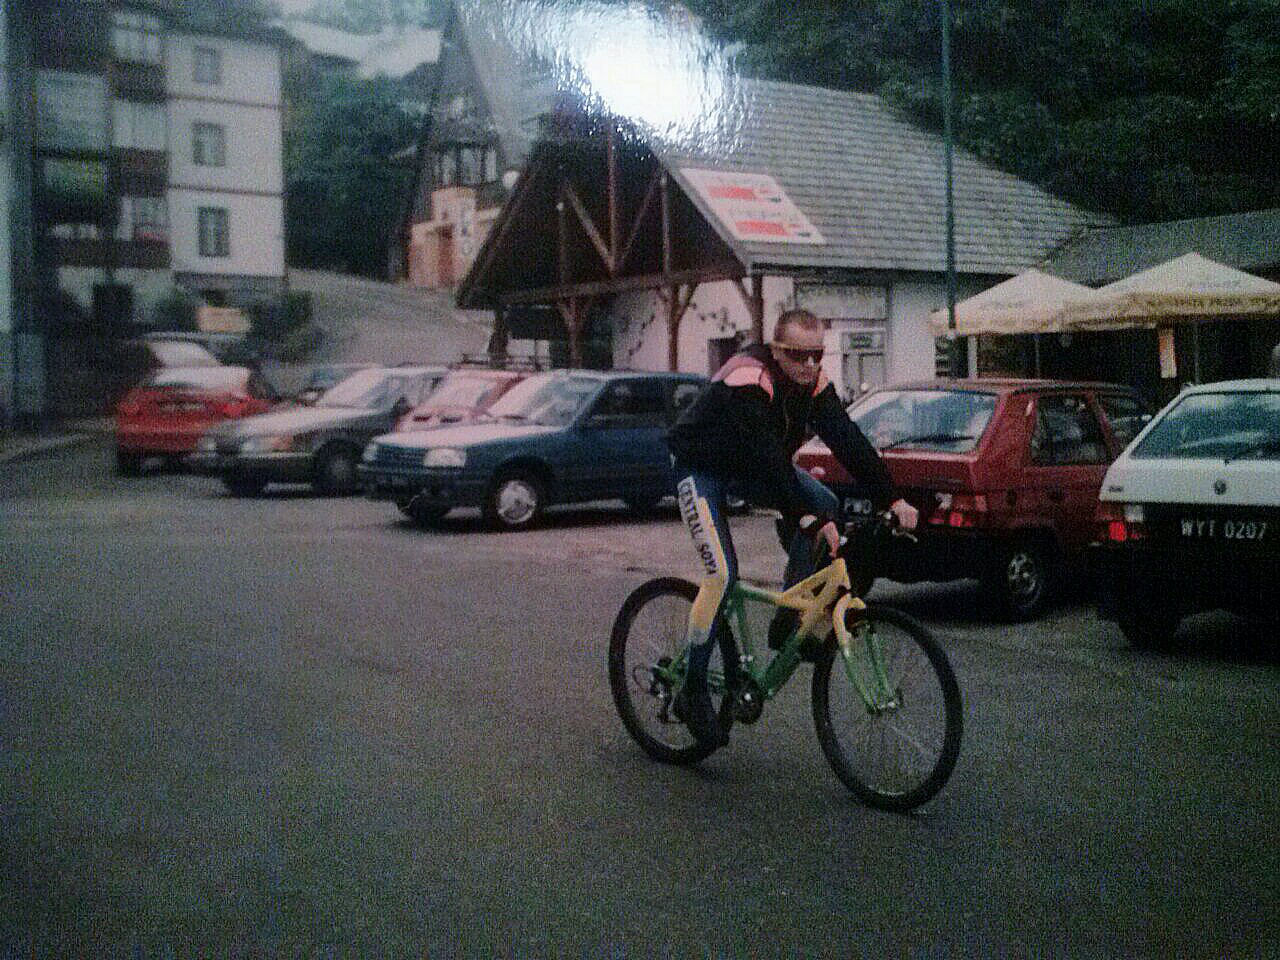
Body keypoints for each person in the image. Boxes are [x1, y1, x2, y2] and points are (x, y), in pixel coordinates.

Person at [665, 308, 919, 746]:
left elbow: (848, 441)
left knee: (826, 502)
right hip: (701, 468)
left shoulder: (814, 384)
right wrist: (805, 517)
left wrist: (891, 497)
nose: (810, 364)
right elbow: (767, 457)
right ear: (776, 350)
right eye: (798, 355)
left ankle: (788, 617)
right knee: (722, 575)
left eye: (817, 354)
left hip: (752, 467)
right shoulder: (749, 377)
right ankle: (691, 689)